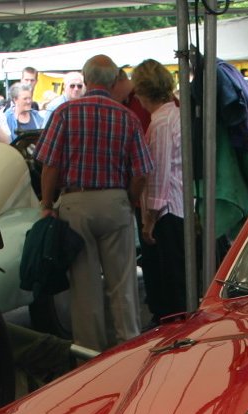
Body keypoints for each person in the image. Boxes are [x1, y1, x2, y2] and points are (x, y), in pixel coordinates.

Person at [35, 54, 153, 351]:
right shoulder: (127, 116)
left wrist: (47, 203)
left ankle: (91, 355)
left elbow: (49, 165)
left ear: (86, 81)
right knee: (122, 283)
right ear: (114, 81)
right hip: (115, 201)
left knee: (84, 287)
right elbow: (142, 171)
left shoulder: (64, 112)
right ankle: (130, 348)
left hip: (76, 202)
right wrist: (128, 199)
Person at [133, 58, 187, 323]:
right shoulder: (174, 115)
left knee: (171, 286)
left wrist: (149, 220)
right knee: (177, 280)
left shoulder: (161, 122)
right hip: (178, 207)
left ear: (142, 92)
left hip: (167, 212)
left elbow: (158, 175)